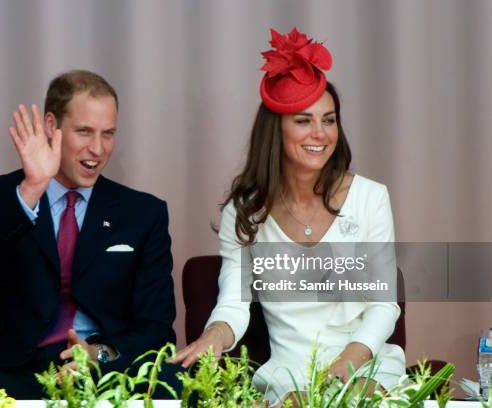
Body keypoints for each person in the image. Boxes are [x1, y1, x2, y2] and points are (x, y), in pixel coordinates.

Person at [173, 28, 406, 404]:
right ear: (276, 129)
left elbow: (383, 305)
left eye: (328, 120)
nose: (320, 133)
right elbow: (233, 301)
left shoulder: (371, 197)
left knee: (364, 397)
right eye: (303, 120)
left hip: (364, 362)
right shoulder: (245, 210)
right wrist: (214, 334)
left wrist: (348, 364)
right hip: (291, 372)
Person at [0, 70, 178, 398]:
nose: (97, 148)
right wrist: (31, 191)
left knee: (180, 386)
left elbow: (156, 329)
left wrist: (98, 355)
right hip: (8, 368)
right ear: (51, 126)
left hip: (104, 367)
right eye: (84, 132)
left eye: (108, 134)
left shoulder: (143, 213)